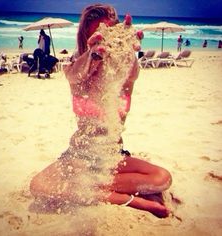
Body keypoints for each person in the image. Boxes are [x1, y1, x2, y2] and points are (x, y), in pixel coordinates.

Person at [30, 4, 172, 218]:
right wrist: (93, 55)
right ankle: (125, 198)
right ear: (87, 36)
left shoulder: (122, 70)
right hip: (79, 155)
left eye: (107, 31)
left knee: (162, 177)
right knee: (38, 185)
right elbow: (74, 75)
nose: (102, 38)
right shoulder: (77, 65)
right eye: (97, 33)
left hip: (112, 155)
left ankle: (91, 189)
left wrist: (128, 51)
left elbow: (131, 73)